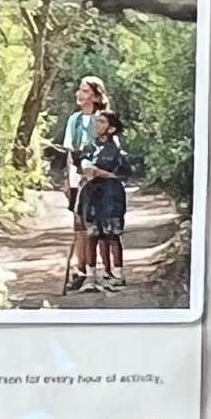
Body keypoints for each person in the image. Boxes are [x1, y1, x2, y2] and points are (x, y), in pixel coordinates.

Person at [79, 109, 132, 287]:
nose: (98, 125)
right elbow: (84, 167)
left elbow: (121, 175)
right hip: (91, 194)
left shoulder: (117, 152)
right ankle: (91, 275)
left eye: (102, 122)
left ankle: (118, 274)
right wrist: (92, 172)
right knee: (91, 234)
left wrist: (99, 172)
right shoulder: (89, 147)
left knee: (112, 234)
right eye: (97, 121)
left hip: (111, 195)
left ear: (111, 128)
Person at [62, 75, 108, 273]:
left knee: (97, 224)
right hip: (77, 176)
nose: (79, 94)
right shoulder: (75, 120)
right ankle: (80, 267)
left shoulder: (104, 119)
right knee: (79, 223)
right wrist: (69, 180)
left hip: (97, 177)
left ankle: (101, 268)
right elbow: (70, 152)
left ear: (96, 97)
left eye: (85, 91)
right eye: (80, 89)